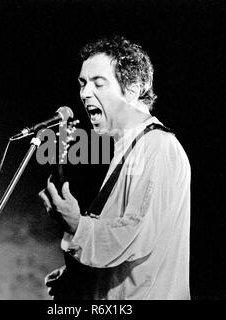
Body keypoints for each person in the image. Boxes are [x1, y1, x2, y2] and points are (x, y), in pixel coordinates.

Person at [38, 36, 191, 300]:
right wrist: (79, 278)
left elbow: (137, 234)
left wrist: (77, 225)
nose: (85, 93)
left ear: (132, 88)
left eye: (98, 83)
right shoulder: (129, 148)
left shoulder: (158, 145)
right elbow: (126, 250)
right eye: (83, 84)